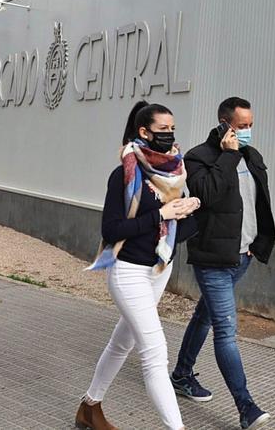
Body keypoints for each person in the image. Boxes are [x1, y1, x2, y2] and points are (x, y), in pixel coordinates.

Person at [75, 101, 201, 430]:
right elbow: (112, 230)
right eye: (162, 130)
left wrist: (188, 212)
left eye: (172, 129)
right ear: (144, 132)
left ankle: (90, 406)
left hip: (159, 269)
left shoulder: (175, 173)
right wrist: (161, 214)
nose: (170, 135)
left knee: (124, 342)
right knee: (155, 353)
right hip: (128, 271)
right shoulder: (124, 174)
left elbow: (179, 229)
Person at [170, 96, 275, 430]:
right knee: (226, 331)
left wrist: (257, 245)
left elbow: (259, 203)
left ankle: (182, 374)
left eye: (250, 126)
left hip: (240, 256)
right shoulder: (199, 157)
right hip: (212, 259)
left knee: (204, 315)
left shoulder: (252, 156)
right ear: (224, 124)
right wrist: (228, 155)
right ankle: (246, 408)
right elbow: (207, 195)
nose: (247, 132)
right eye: (242, 126)